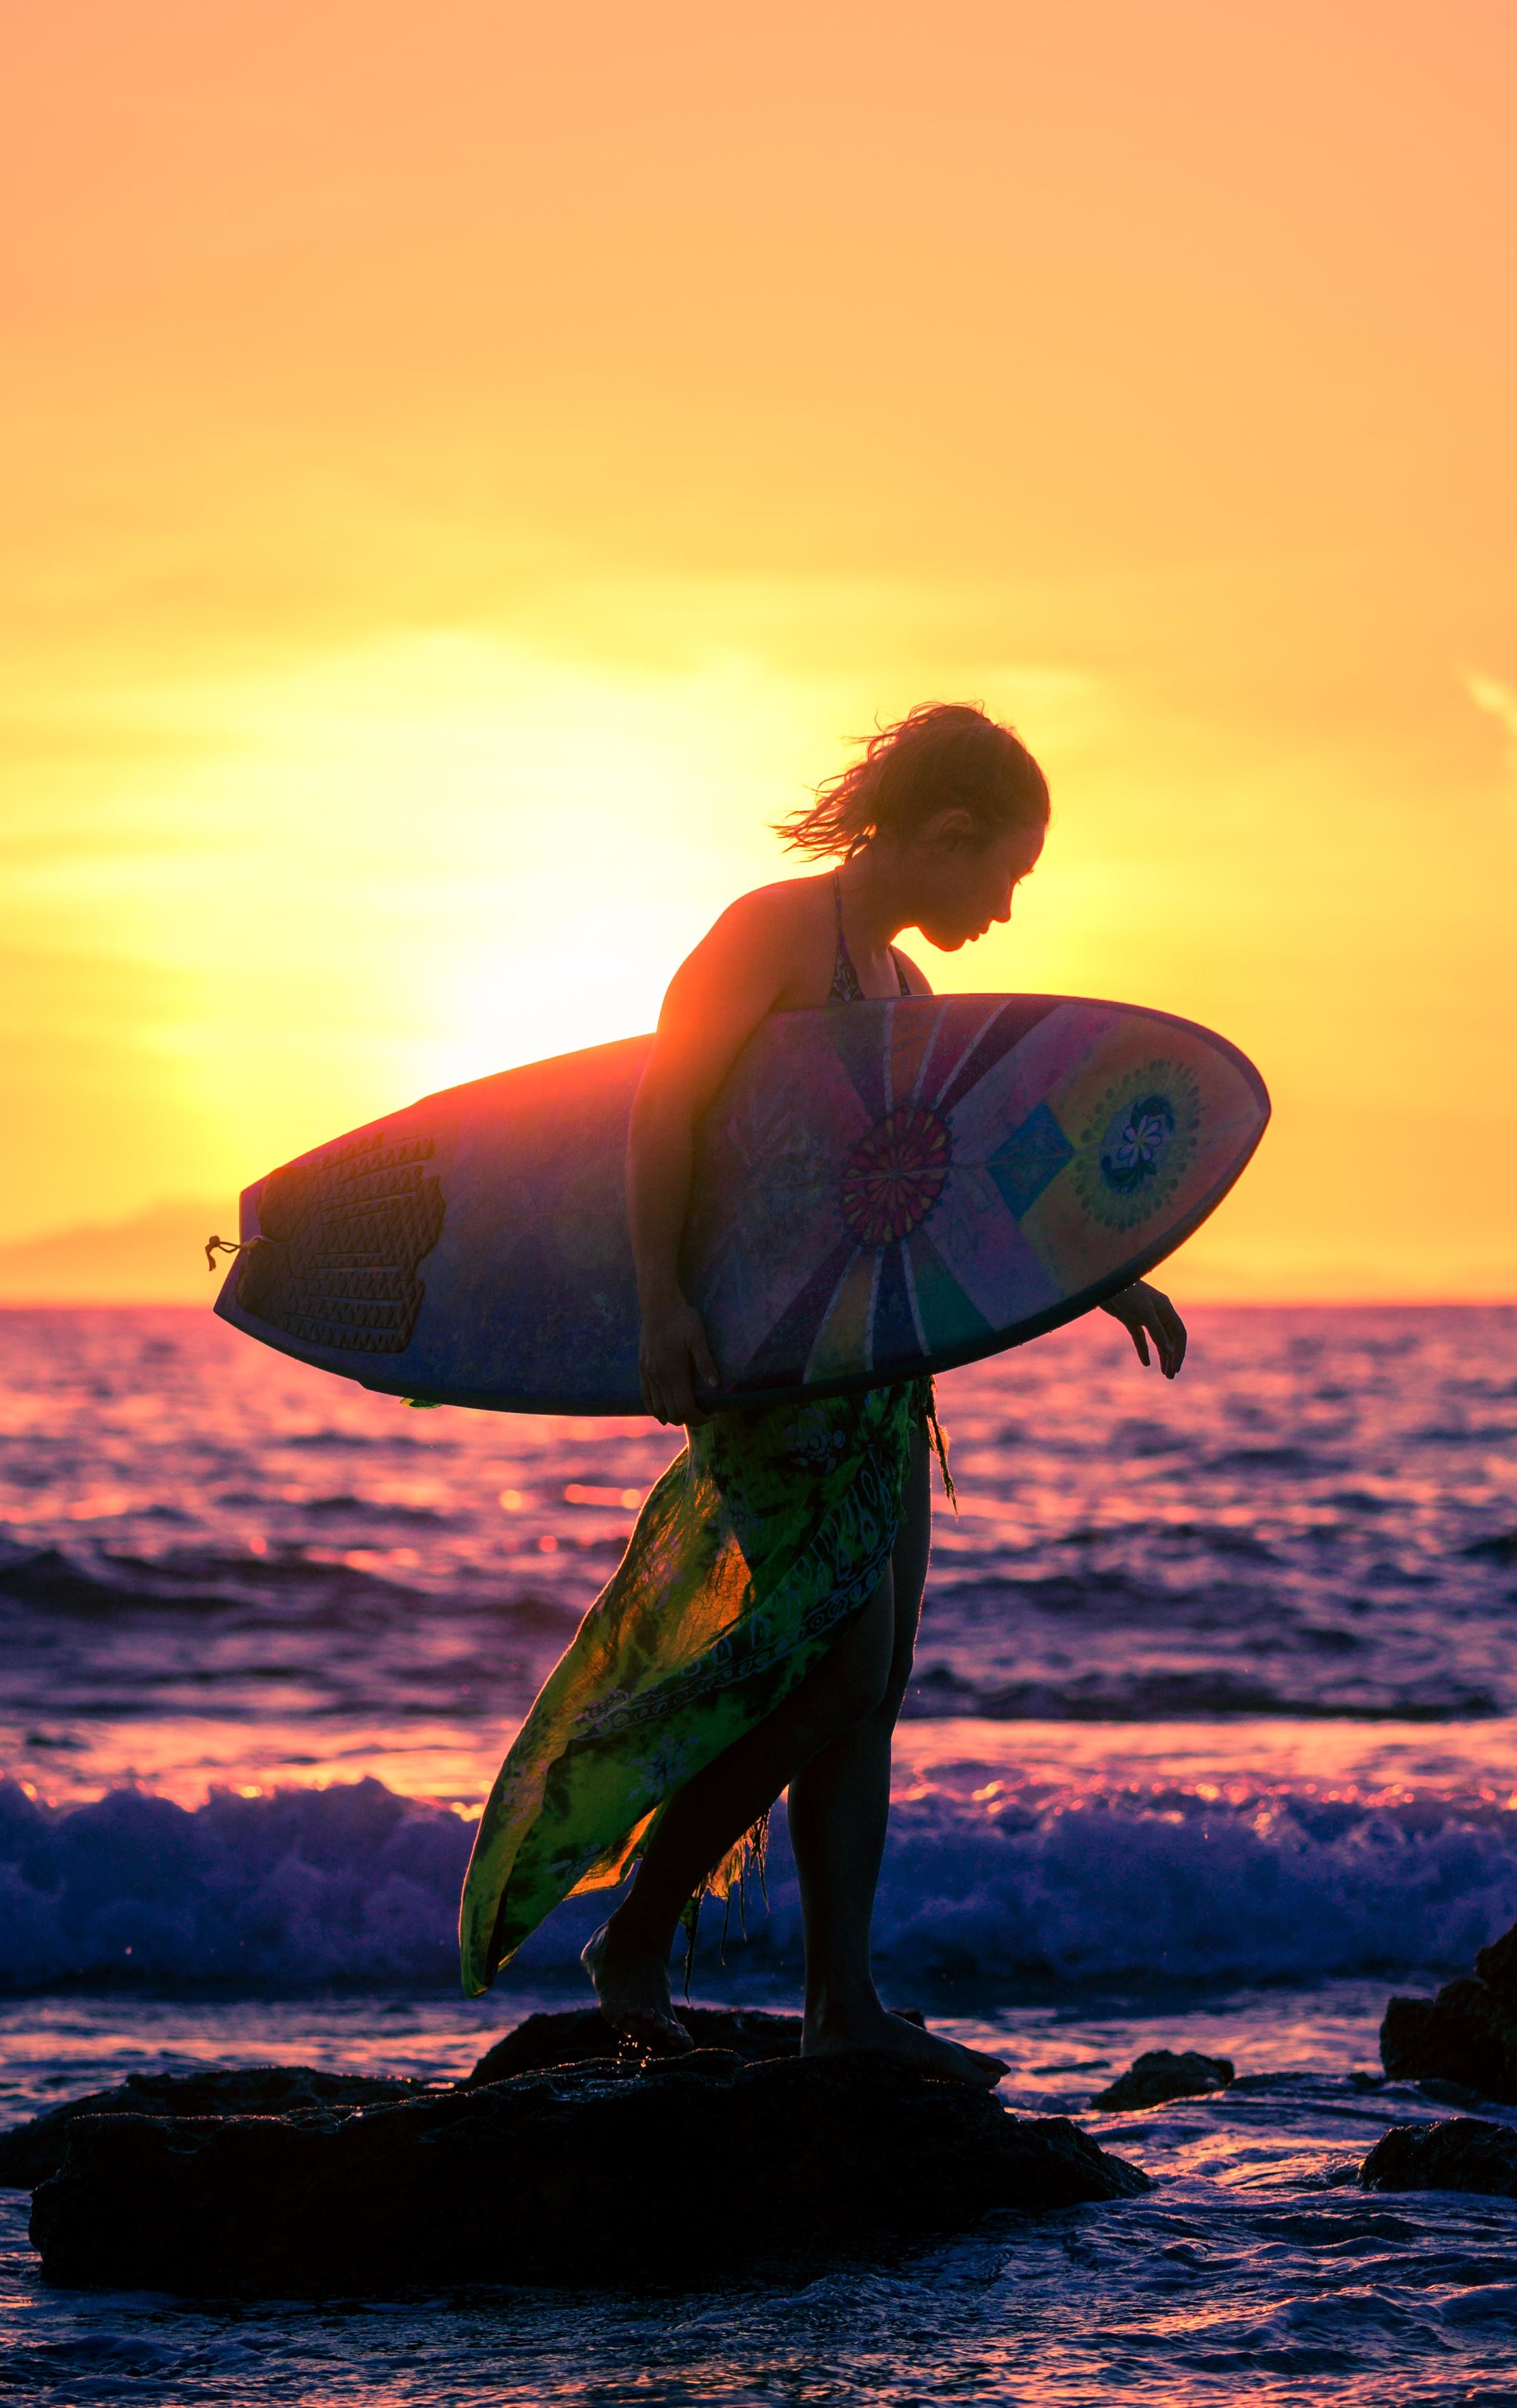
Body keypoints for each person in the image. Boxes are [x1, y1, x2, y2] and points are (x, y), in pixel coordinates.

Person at [457, 703, 1186, 2082]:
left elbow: (946, 1192)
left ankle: (840, 2003)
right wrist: (661, 1298)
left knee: (871, 1687)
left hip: (880, 1389)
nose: (1009, 909)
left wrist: (1106, 1276)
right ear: (948, 834)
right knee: (820, 1679)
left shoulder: (905, 995)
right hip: (774, 1377)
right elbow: (665, 1105)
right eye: (1007, 876)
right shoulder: (774, 937)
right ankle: (639, 1933)